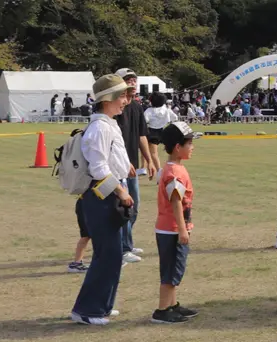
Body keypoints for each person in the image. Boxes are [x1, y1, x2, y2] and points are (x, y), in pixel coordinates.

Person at [70, 74, 138, 326]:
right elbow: (98, 168)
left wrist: (125, 166)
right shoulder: (99, 127)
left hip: (109, 192)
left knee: (112, 253)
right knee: (106, 254)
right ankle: (88, 309)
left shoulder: (108, 124)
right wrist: (121, 191)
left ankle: (102, 305)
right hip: (102, 195)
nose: (126, 101)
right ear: (107, 99)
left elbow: (108, 159)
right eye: (122, 96)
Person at [152, 122, 201, 325]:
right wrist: (182, 230)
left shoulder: (176, 168)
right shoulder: (174, 173)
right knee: (171, 271)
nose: (192, 147)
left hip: (172, 228)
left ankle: (172, 305)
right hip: (171, 230)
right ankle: (162, 310)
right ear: (177, 147)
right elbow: (175, 202)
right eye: (189, 143)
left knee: (175, 269)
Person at [113, 69, 155, 264]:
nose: (133, 83)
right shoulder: (115, 108)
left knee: (134, 206)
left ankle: (126, 241)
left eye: (134, 80)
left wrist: (150, 160)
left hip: (132, 166)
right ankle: (123, 247)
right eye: (128, 80)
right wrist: (124, 160)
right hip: (118, 167)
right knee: (125, 206)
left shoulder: (136, 107)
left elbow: (141, 135)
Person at [67, 195, 91, 274]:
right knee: (86, 236)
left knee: (87, 236)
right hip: (86, 205)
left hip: (87, 204)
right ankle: (76, 264)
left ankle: (77, 263)